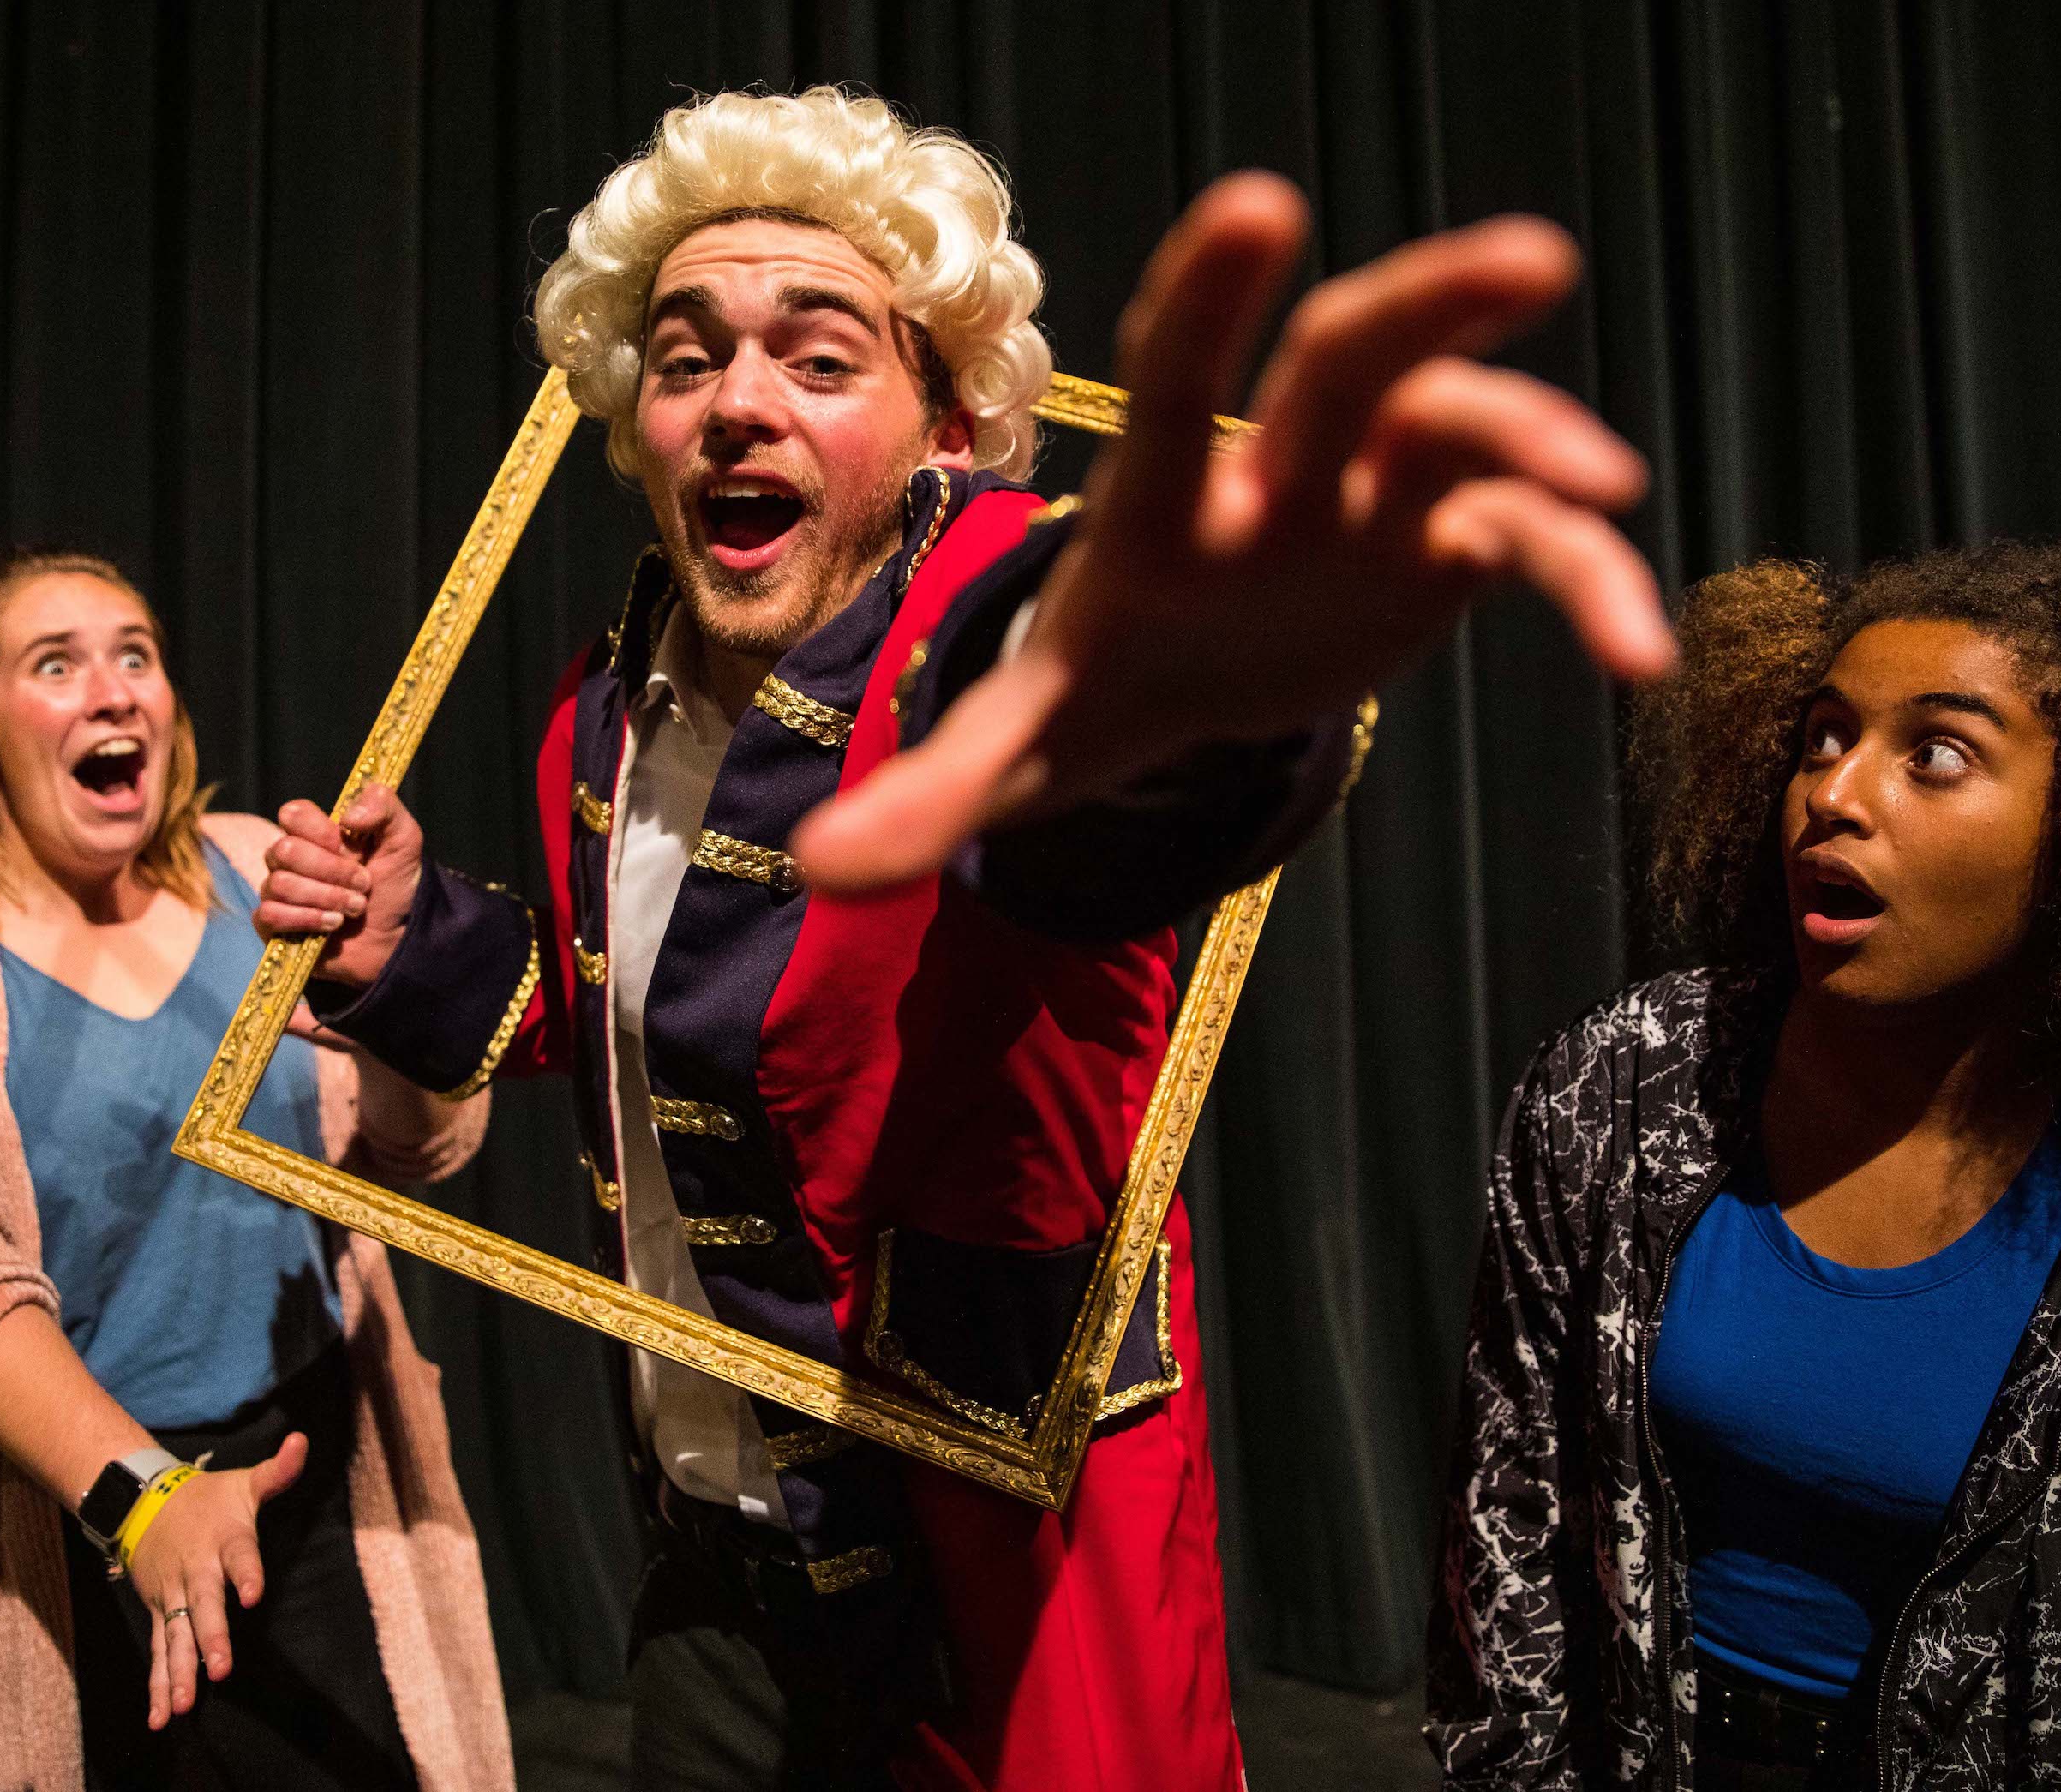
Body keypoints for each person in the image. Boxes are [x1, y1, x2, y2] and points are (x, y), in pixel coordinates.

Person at [255, 86, 1675, 1789]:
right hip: (718, 1550)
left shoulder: (987, 630)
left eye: (820, 357)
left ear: (943, 427)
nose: (735, 405)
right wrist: (420, 937)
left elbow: (1069, 760)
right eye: (687, 357)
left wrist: (1175, 700)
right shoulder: (610, 698)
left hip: (995, 1562)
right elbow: (641, 1002)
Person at [1425, 544, 2061, 1789]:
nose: (1835, 795)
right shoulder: (1625, 1087)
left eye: (1935, 754)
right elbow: (1506, 1527)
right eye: (1821, 738)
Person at [0, 549, 511, 1792]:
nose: (114, 690)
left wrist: (391, 1004)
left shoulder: (255, 878)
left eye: (136, 653)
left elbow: (423, 1142)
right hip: (74, 1529)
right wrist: (141, 1496)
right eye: (54, 664)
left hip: (317, 1480)